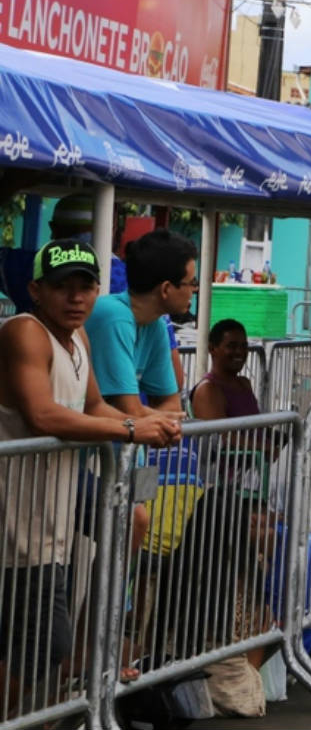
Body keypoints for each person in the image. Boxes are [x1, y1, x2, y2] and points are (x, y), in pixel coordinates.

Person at [0, 240, 180, 691]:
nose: (76, 297)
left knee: (41, 647)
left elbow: (95, 404)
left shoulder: (78, 336)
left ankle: (63, 680)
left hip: (50, 509)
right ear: (36, 290)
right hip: (17, 515)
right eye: (64, 287)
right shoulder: (24, 331)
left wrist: (149, 420)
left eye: (86, 287)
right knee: (33, 649)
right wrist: (132, 430)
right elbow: (43, 414)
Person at [84, 228, 196, 417]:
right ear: (166, 289)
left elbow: (172, 404)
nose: (194, 290)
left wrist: (154, 417)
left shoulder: (156, 323)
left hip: (124, 445)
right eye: (191, 282)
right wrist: (162, 418)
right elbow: (128, 411)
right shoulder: (114, 318)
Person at [0, 193, 128, 313]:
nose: (76, 298)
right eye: (61, 286)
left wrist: (7, 188)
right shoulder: (127, 276)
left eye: (85, 287)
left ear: (54, 229)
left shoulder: (28, 266)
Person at [190, 319, 261, 420]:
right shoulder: (207, 390)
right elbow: (220, 434)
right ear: (212, 349)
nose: (239, 351)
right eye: (232, 346)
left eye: (244, 346)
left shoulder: (244, 384)